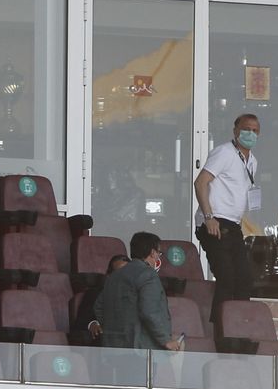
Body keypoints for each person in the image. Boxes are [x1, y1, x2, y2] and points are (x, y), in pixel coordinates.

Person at [194, 113, 261, 324]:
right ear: (235, 130)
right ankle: (220, 330)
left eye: (255, 130)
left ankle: (239, 327)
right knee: (226, 277)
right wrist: (208, 217)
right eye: (246, 129)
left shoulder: (252, 161)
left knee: (244, 278)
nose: (250, 133)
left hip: (233, 224)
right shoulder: (224, 152)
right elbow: (200, 183)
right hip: (214, 222)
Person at [97, 232, 183, 351]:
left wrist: (114, 329)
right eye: (159, 253)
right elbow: (149, 311)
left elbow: (98, 307)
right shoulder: (148, 274)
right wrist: (165, 340)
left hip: (113, 347)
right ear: (152, 252)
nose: (158, 257)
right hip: (141, 350)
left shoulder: (114, 276)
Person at [73, 253, 130, 344]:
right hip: (107, 342)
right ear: (109, 276)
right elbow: (81, 321)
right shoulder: (95, 294)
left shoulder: (137, 295)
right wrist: (93, 324)